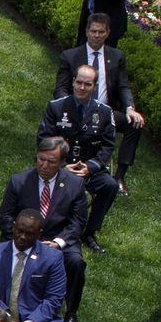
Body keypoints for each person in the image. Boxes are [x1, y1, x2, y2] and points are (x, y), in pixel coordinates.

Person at [0, 138, 87, 322]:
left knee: (75, 262)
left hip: (57, 238)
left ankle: (70, 312)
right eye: (40, 159)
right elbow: (4, 216)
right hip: (23, 236)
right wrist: (25, 238)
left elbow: (77, 222)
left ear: (62, 162)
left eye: (51, 162)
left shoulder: (75, 184)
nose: (44, 165)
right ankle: (2, 301)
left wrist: (57, 243)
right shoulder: (19, 181)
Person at [57, 14, 142, 192]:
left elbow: (123, 86)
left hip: (106, 113)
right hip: (77, 109)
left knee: (134, 124)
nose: (96, 35)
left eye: (100, 32)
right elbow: (61, 88)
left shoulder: (116, 56)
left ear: (107, 33)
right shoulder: (70, 56)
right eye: (93, 31)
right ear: (87, 32)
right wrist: (65, 105)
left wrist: (130, 108)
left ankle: (119, 176)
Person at [41, 63, 119, 255]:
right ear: (73, 82)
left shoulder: (104, 112)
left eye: (87, 84)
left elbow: (108, 145)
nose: (82, 88)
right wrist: (62, 166)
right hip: (60, 167)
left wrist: (91, 167)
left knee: (109, 185)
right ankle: (53, 226)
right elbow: (44, 139)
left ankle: (90, 232)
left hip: (88, 168)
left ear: (94, 87)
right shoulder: (56, 107)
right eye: (79, 83)